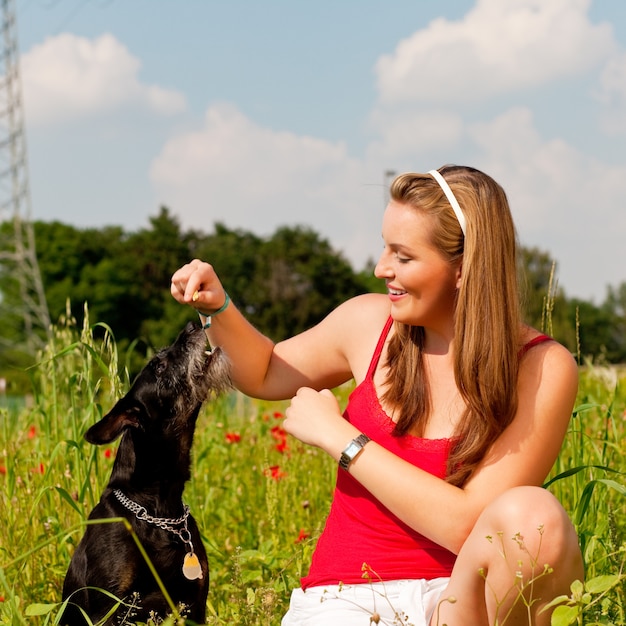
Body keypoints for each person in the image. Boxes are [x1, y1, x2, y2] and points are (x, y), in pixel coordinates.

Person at [170, 165, 583, 626]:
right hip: (345, 600)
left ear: (464, 269)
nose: (380, 267)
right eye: (385, 247)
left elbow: (468, 525)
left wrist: (342, 439)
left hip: (457, 604)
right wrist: (219, 306)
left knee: (534, 517)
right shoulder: (370, 323)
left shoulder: (541, 366)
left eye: (402, 256)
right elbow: (265, 372)